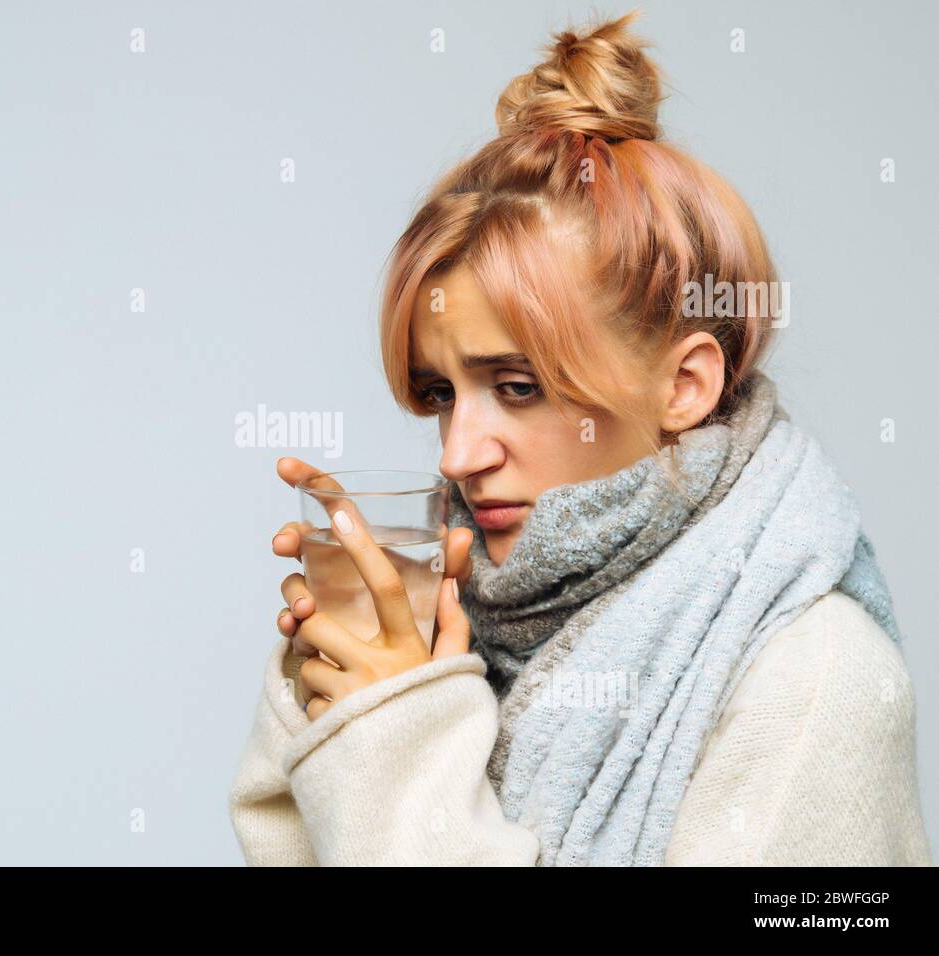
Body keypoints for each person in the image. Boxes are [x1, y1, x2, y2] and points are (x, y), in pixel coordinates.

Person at [227, 10, 930, 866]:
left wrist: (397, 740)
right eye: (441, 393)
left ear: (684, 386)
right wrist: (336, 697)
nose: (456, 454)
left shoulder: (816, 681)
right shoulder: (452, 629)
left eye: (519, 389)